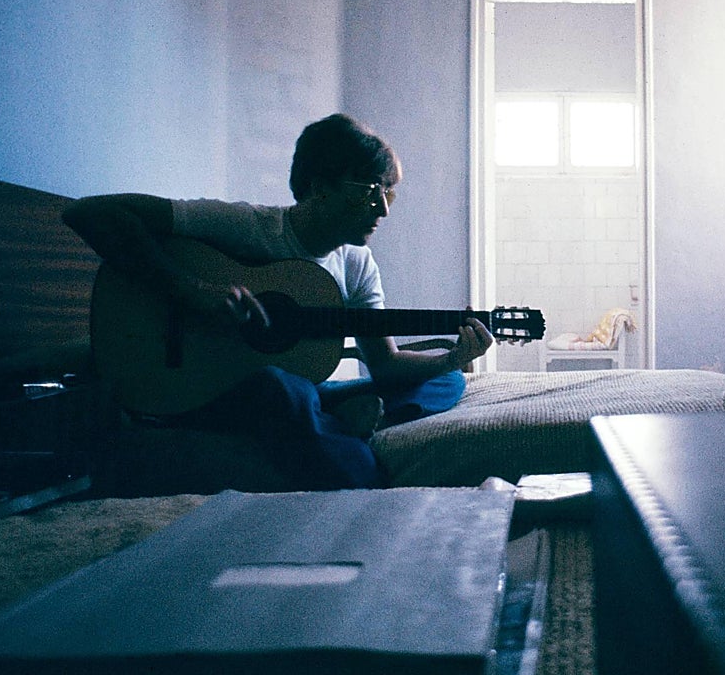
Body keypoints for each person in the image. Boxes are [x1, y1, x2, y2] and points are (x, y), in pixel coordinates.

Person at [63, 113, 493, 489]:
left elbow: (384, 366)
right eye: (370, 191)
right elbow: (88, 213)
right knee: (279, 387)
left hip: (303, 390)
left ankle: (330, 422)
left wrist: (453, 357)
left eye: (389, 194)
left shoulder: (358, 264)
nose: (382, 209)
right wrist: (192, 293)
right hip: (218, 387)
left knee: (447, 383)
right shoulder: (246, 227)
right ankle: (336, 431)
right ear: (319, 187)